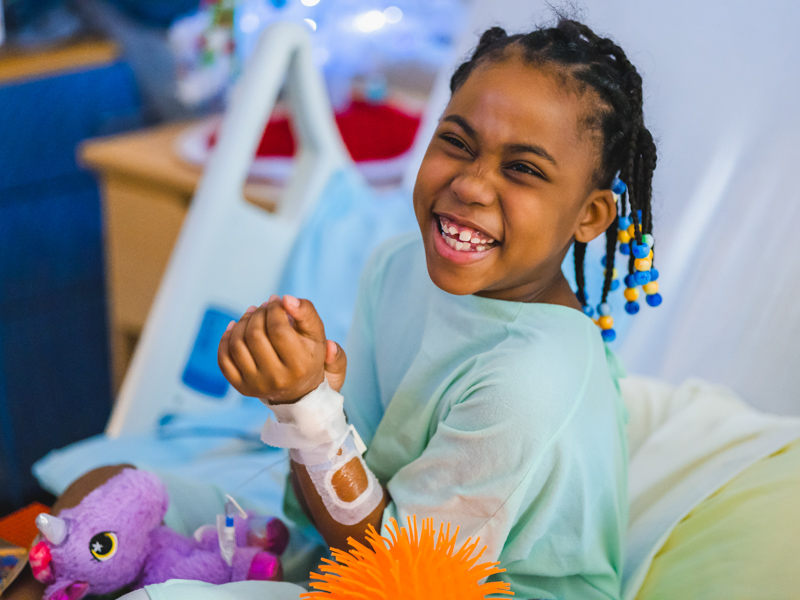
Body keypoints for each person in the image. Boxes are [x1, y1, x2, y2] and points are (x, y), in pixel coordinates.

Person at [216, 17, 658, 600]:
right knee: (107, 490)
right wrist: (307, 397)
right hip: (355, 551)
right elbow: (348, 483)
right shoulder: (397, 266)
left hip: (426, 583)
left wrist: (306, 410)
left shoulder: (532, 378)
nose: (471, 186)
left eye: (523, 169)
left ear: (590, 216)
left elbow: (397, 575)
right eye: (456, 142)